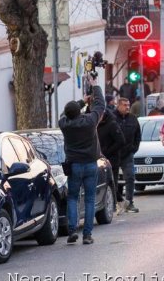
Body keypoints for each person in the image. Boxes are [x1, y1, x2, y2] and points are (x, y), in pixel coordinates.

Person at [59, 92, 106, 245]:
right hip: (90, 164)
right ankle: (87, 234)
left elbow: (63, 114)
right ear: (79, 112)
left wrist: (80, 102)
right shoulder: (90, 122)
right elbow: (100, 106)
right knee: (90, 199)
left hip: (74, 165)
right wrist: (95, 86)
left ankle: (72, 230)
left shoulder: (64, 124)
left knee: (73, 197)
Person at [95, 95, 124, 215]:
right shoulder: (95, 125)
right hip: (98, 159)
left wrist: (107, 152)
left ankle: (117, 204)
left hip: (111, 159)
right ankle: (112, 203)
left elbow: (121, 141)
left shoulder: (111, 124)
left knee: (112, 183)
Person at [114, 97, 141, 214]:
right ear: (118, 106)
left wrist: (134, 149)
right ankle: (116, 202)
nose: (127, 107)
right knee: (112, 180)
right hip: (114, 153)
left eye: (128, 105)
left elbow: (138, 136)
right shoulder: (112, 118)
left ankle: (129, 202)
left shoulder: (133, 119)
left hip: (127, 154)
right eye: (125, 105)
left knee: (130, 177)